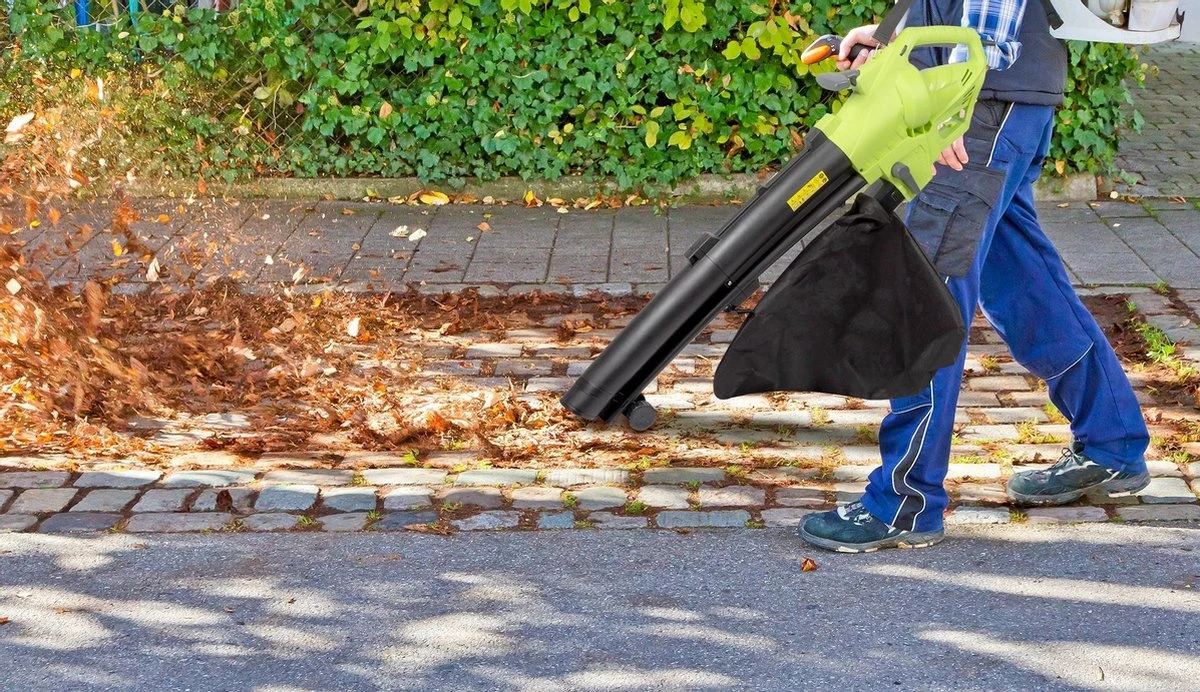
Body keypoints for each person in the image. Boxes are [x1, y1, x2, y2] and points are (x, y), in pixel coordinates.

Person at [798, 0, 1151, 552]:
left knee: (928, 295)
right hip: (1003, 106)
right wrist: (892, 35)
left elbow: (993, 24)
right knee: (1026, 287)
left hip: (981, 113)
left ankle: (905, 502)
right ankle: (1113, 445)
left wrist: (946, 103)